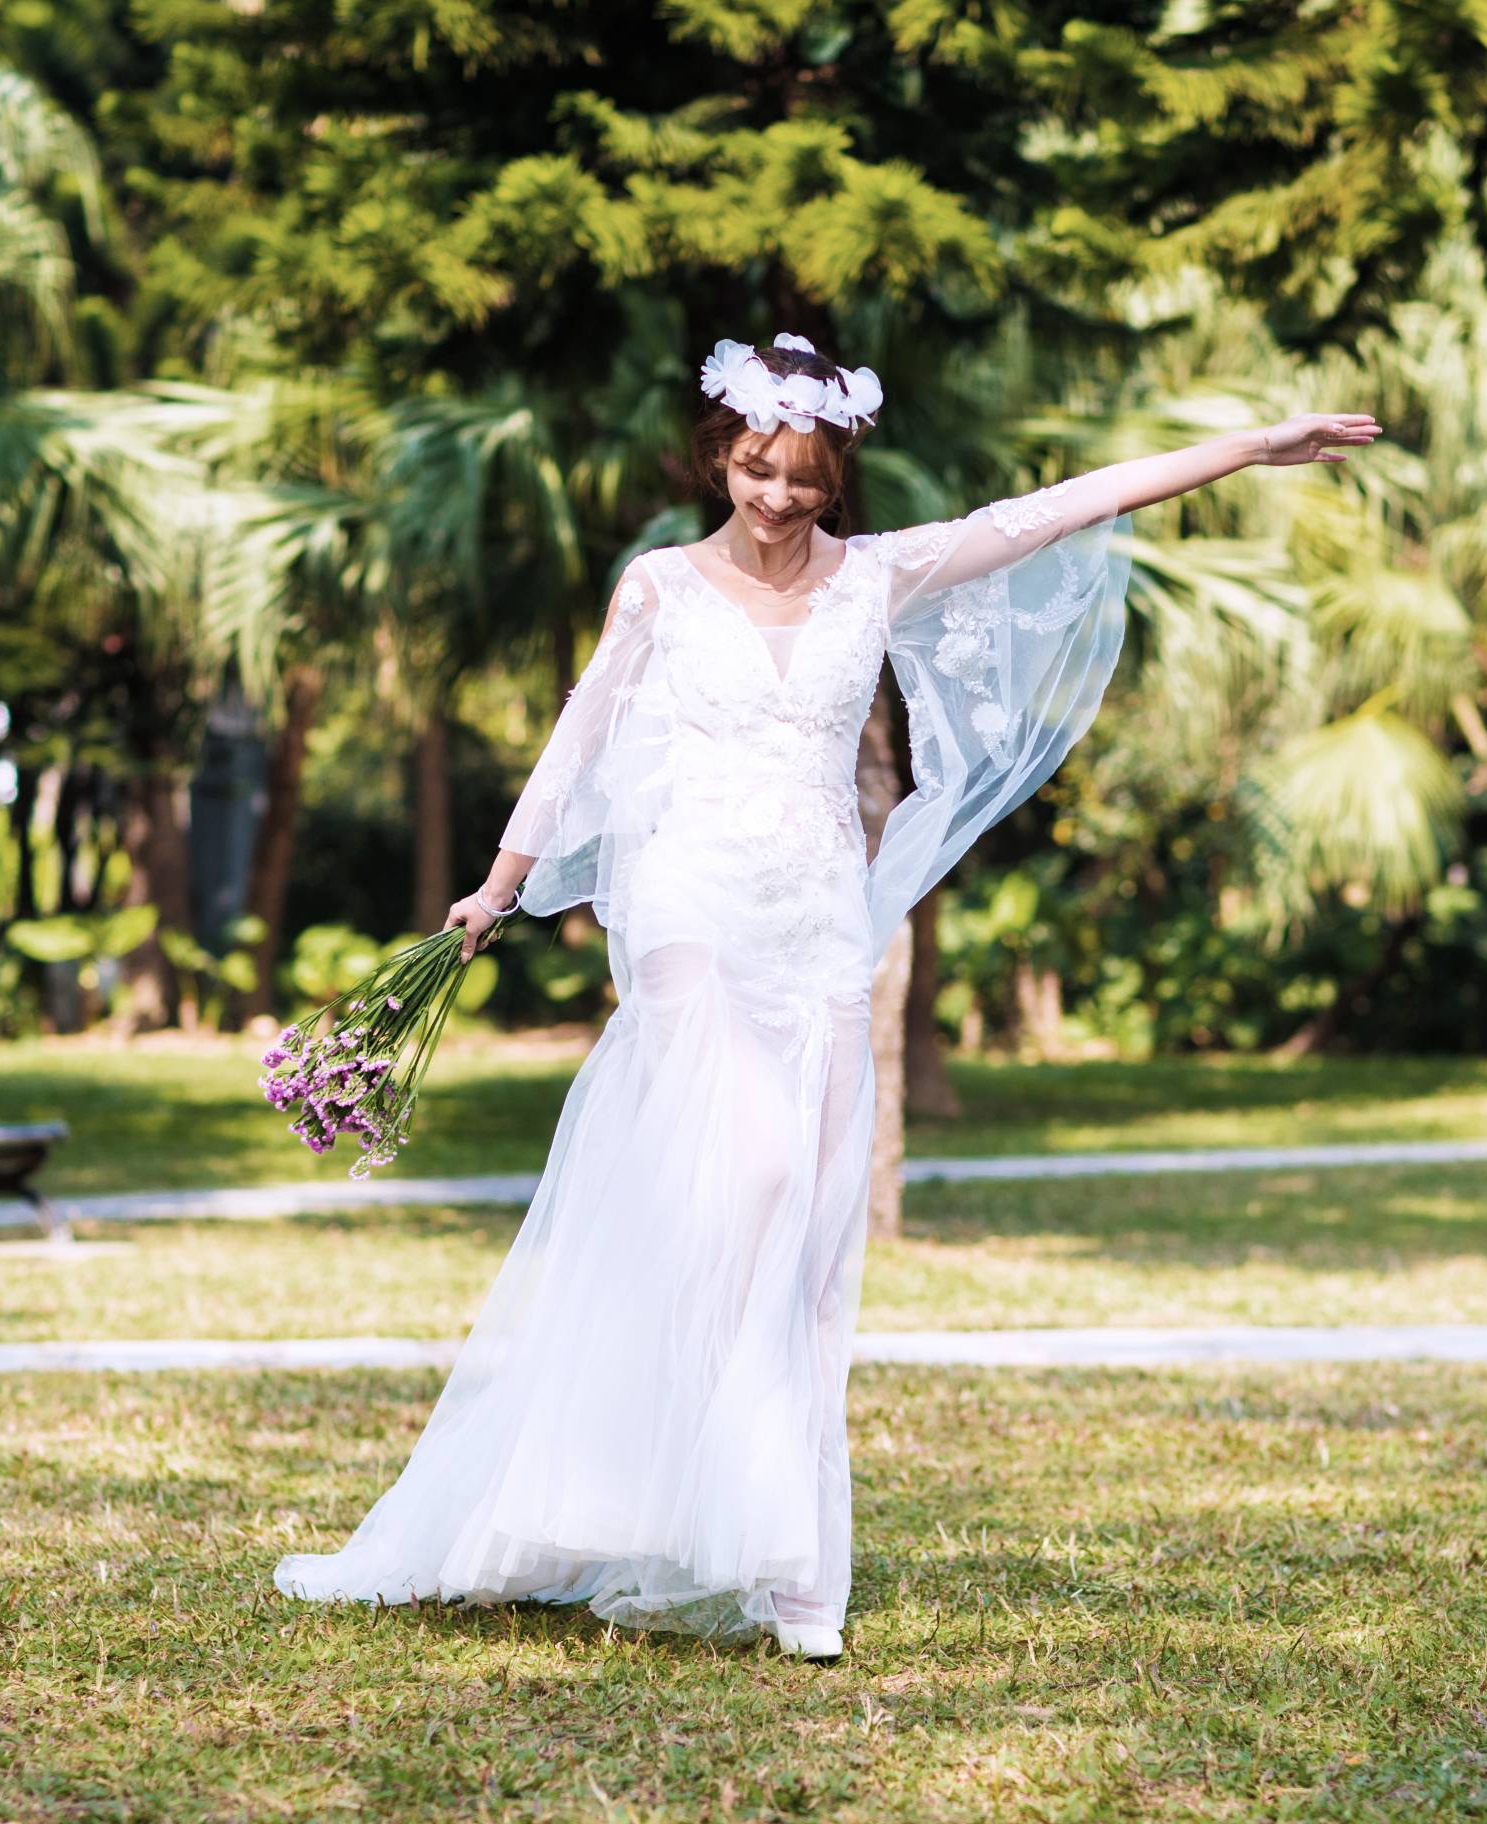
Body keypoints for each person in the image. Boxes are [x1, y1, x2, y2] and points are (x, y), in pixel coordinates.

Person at [272, 331, 1378, 1657]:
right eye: (756, 469)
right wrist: (499, 884)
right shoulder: (658, 588)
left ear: (836, 474)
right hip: (689, 908)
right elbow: (581, 736)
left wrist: (1250, 448)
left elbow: (1053, 510)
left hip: (816, 926)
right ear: (719, 458)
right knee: (749, 1175)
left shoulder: (878, 578)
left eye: (803, 476)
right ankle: (647, 1486)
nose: (778, 496)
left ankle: (785, 1562)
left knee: (802, 1237)